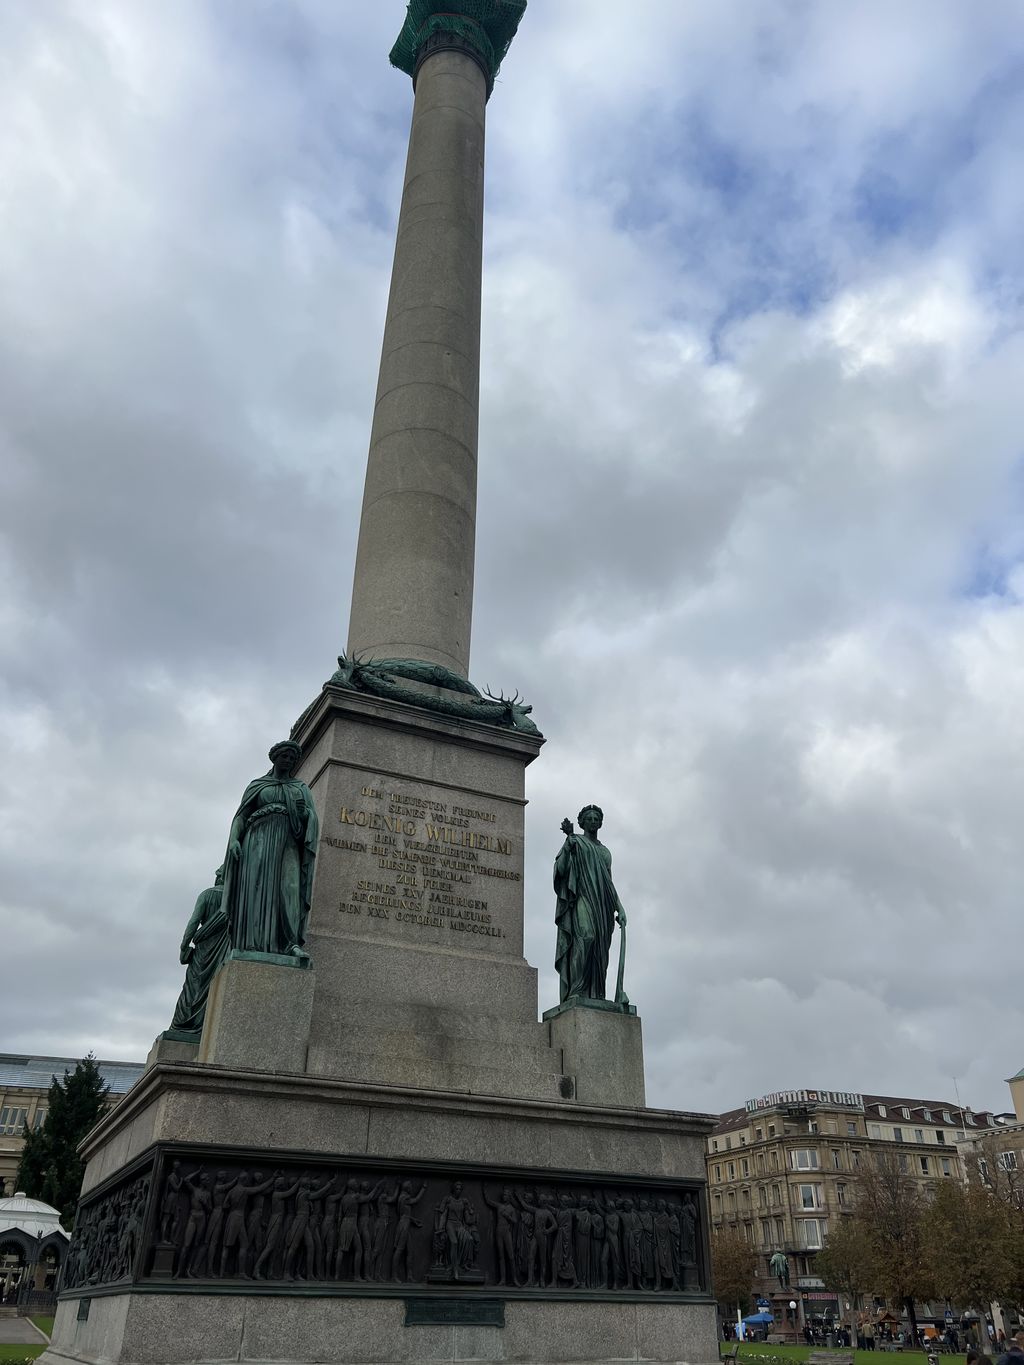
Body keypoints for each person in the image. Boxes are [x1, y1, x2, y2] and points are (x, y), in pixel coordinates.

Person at [221, 740, 318, 958]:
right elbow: (241, 816)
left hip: (288, 843)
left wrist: (304, 815)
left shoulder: (300, 788)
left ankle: (289, 943)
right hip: (258, 840)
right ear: (274, 758)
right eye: (285, 756)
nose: (288, 761)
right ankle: (251, 944)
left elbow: (310, 820)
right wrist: (234, 840)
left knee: (289, 888)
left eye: (292, 759)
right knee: (256, 888)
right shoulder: (258, 785)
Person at [553, 805, 627, 1003]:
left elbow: (609, 883)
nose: (593, 821)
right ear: (582, 822)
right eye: (589, 818)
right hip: (582, 898)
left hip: (603, 904)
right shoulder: (576, 841)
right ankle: (576, 990)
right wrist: (568, 843)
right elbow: (560, 869)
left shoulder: (605, 852)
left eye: (596, 819)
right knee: (586, 937)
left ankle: (596, 994)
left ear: (600, 823)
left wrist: (619, 907)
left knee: (600, 950)